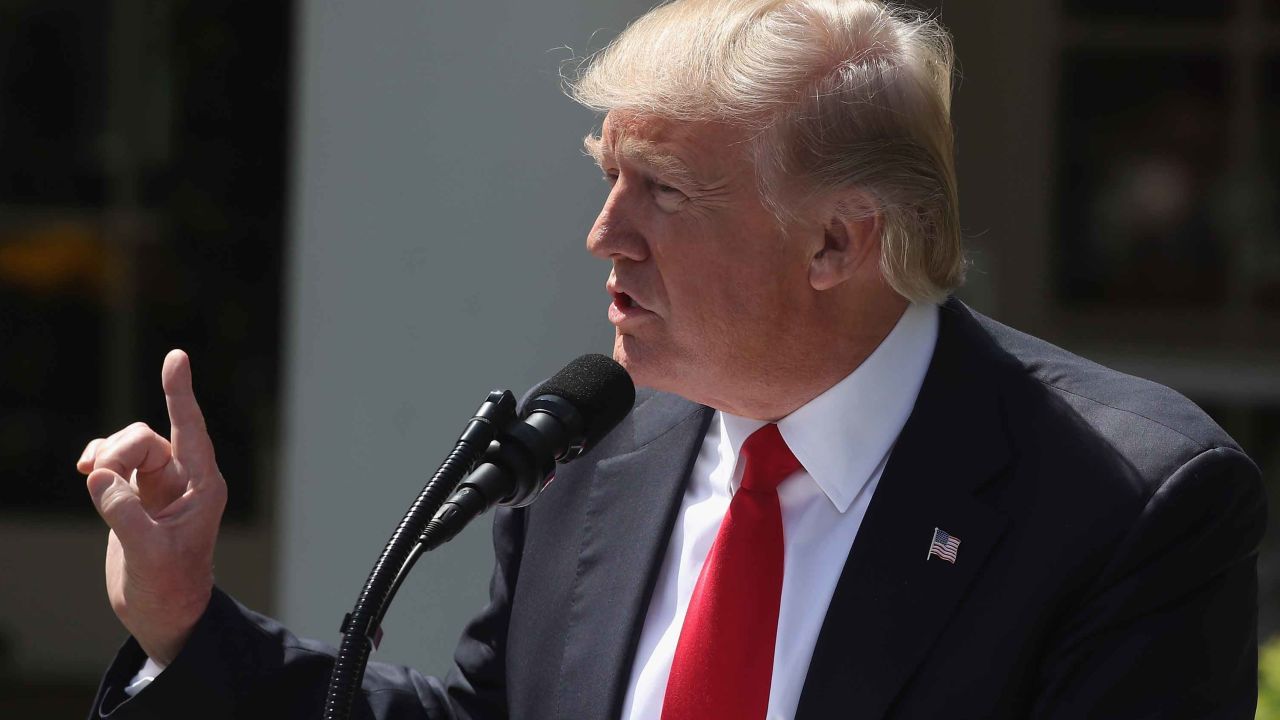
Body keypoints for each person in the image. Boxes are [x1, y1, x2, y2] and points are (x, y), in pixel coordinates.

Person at [81, 1, 1266, 718]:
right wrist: (189, 623)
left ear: (838, 241)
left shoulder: (1126, 501)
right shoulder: (591, 457)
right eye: (608, 176)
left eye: (662, 192)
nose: (604, 234)